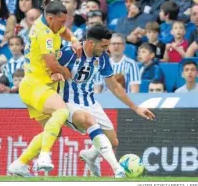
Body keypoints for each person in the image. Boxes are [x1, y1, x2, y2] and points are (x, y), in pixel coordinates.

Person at [56, 25, 155, 177]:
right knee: (89, 121)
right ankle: (117, 169)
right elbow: (46, 66)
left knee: (113, 142)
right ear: (90, 43)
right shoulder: (68, 53)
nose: (107, 49)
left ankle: (90, 155)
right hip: (67, 102)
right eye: (103, 46)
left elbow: (114, 87)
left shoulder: (102, 58)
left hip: (90, 101)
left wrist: (136, 108)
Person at [8, 0, 82, 176]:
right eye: (61, 21)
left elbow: (64, 31)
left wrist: (73, 39)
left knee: (53, 133)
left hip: (36, 86)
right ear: (50, 18)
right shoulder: (44, 33)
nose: (63, 25)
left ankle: (19, 164)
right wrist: (70, 73)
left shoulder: (50, 23)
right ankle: (44, 156)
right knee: (62, 111)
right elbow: (51, 65)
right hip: (35, 86)